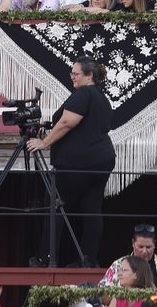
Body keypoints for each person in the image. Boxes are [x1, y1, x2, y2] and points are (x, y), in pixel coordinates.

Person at [26, 57, 114, 267]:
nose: (72, 77)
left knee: (55, 206)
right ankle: (88, 259)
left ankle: (46, 258)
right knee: (92, 208)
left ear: (89, 76)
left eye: (76, 74)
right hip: (101, 159)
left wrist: (44, 142)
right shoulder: (102, 98)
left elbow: (67, 123)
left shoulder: (84, 93)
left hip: (78, 162)